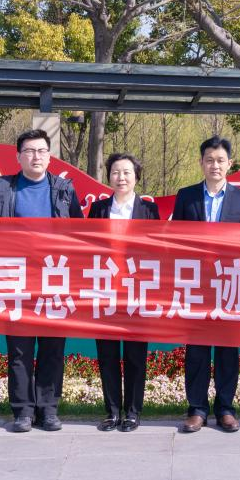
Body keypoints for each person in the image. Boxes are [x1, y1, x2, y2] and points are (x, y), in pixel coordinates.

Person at [0, 129, 84, 433]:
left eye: (41, 151)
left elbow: (81, 233)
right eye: (29, 151)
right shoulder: (4, 189)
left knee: (53, 348)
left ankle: (48, 410)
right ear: (18, 156)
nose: (36, 157)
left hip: (55, 278)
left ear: (49, 156)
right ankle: (23, 412)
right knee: (20, 349)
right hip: (17, 279)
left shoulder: (64, 190)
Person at [172, 136, 240, 434]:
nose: (215, 165)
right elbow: (175, 240)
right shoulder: (186, 197)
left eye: (220, 160)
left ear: (229, 164)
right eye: (209, 160)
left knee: (226, 350)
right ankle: (196, 409)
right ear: (201, 163)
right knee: (196, 350)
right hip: (196, 284)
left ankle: (225, 409)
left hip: (230, 283)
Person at [89, 152, 161, 432]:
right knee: (107, 354)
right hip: (105, 289)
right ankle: (111, 412)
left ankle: (132, 412)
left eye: (127, 172)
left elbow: (157, 252)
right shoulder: (98, 210)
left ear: (136, 177)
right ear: (109, 177)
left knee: (135, 355)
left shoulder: (149, 211)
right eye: (116, 172)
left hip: (136, 291)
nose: (121, 177)